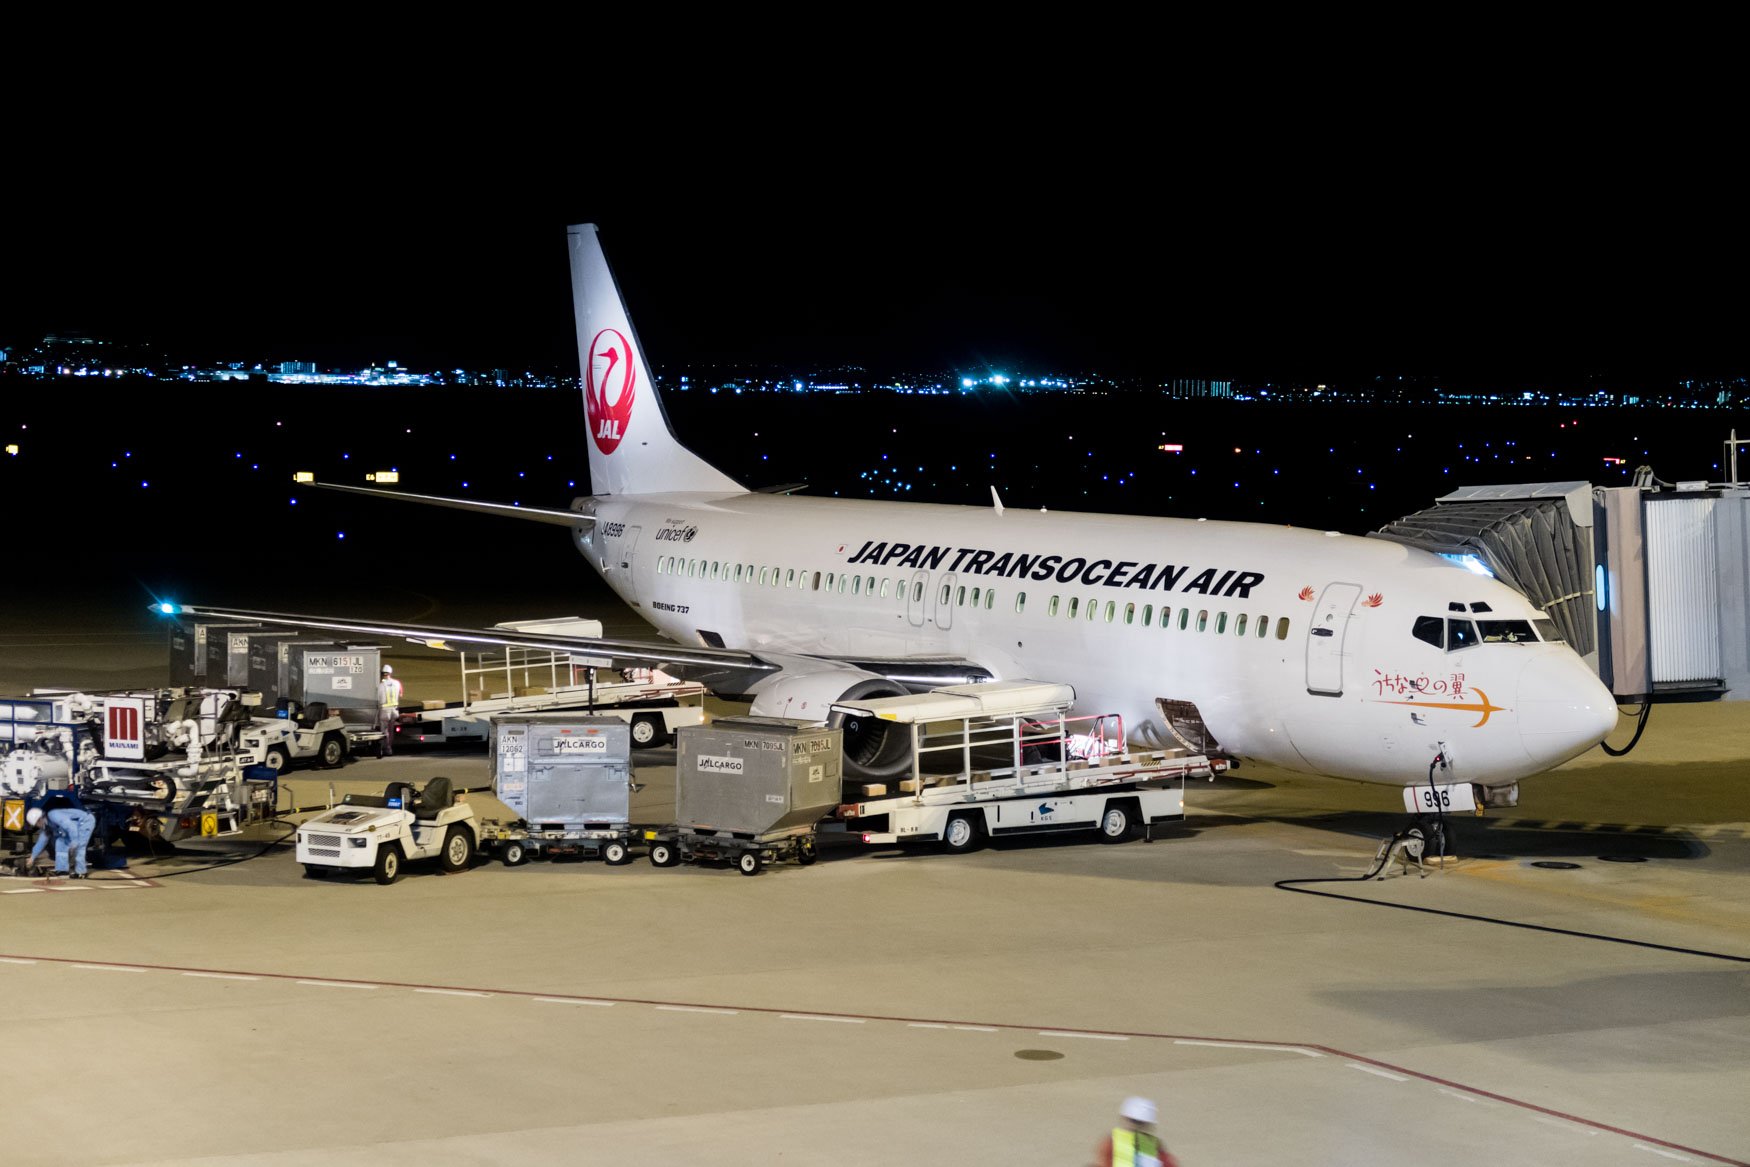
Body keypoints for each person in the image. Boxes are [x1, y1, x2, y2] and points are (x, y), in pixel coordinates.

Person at [1092, 1097, 1177, 1167]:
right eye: (1134, 1121)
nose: (1136, 1127)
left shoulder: (1155, 1145)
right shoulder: (1111, 1143)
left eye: (1140, 1123)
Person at [25, 799, 97, 879]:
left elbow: (71, 826)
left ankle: (81, 872)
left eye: (36, 824)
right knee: (60, 842)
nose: (37, 826)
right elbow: (41, 841)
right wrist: (32, 857)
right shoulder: (47, 826)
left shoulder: (54, 815)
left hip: (85, 821)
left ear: (39, 819)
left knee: (79, 846)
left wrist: (74, 842)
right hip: (75, 825)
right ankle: (62, 870)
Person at [377, 665, 403, 757]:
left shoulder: (381, 685)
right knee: (391, 730)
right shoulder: (397, 683)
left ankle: (385, 748)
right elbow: (401, 694)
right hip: (394, 710)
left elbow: (378, 698)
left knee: (384, 731)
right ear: (390, 673)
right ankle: (390, 748)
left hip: (384, 710)